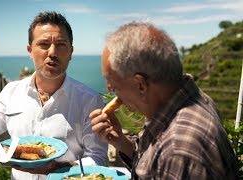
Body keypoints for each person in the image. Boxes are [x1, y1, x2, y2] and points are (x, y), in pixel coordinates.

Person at [0, 11, 108, 179]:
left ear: (70, 52)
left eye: (60, 44)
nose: (52, 52)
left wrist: (57, 169)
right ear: (30, 51)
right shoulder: (11, 92)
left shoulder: (89, 100)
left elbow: (99, 159)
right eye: (44, 44)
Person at [89, 22, 239, 179]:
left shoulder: (179, 149)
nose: (109, 89)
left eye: (112, 83)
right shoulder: (186, 101)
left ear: (140, 84)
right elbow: (156, 166)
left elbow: (169, 158)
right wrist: (122, 142)